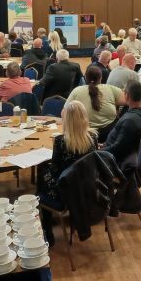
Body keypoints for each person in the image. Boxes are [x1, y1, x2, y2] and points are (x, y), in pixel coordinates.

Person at [37, 100, 98, 245]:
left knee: (41, 180)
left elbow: (55, 169)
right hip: (87, 187)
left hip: (66, 191)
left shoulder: (61, 141)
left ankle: (47, 228)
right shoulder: (93, 137)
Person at [67, 65, 125, 139]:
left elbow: (65, 112)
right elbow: (128, 100)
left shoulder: (77, 91)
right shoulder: (111, 89)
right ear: (101, 78)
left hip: (84, 135)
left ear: (85, 77)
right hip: (108, 135)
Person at [102, 80, 141, 163]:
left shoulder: (130, 121)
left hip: (111, 160)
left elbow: (118, 148)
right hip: (113, 152)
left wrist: (98, 151)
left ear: (126, 95)